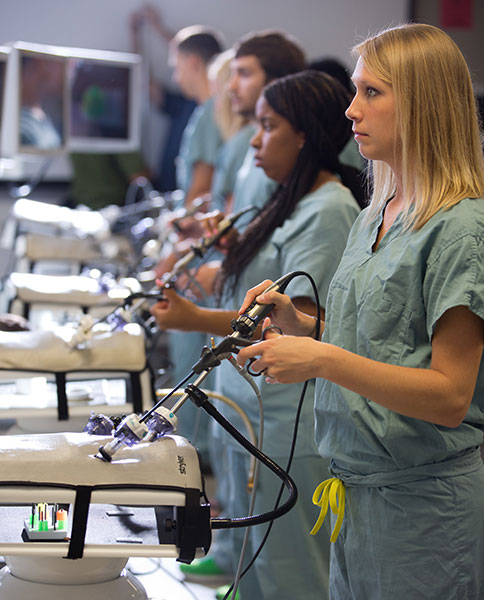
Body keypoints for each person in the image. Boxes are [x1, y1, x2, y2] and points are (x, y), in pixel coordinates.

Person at [236, 23, 484, 599]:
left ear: (422, 103)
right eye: (355, 91)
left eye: (372, 93)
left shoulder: (461, 229)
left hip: (423, 511)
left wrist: (321, 359)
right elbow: (386, 342)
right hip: (358, 494)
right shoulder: (377, 213)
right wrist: (303, 327)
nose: (352, 110)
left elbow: (449, 395)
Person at [151, 69, 363, 600]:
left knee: (291, 569)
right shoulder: (287, 199)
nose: (254, 139)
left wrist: (195, 318)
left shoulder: (330, 208)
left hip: (290, 417)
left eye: (267, 126)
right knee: (263, 565)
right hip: (259, 401)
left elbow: (291, 322)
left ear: (304, 135)